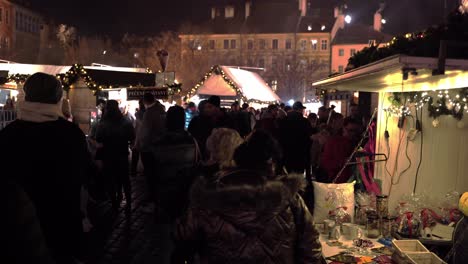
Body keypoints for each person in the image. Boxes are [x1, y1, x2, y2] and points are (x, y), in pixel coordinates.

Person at [173, 129, 324, 264]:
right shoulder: (289, 199)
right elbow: (310, 250)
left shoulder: (207, 198)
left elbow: (183, 243)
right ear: (271, 163)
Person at [0, 72, 90, 263]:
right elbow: (86, 175)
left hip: (18, 233)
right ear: (58, 98)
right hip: (63, 229)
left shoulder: (8, 135)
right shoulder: (72, 135)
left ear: (27, 97)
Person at [96, 100, 135, 212]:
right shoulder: (125, 121)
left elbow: (98, 138)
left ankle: (114, 203)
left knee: (110, 179)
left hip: (108, 155)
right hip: (122, 153)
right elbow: (132, 136)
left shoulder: (103, 123)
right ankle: (128, 202)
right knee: (124, 179)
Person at [137, 92, 166, 213]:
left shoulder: (149, 113)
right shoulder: (161, 110)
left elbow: (145, 132)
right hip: (160, 147)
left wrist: (140, 145)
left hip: (149, 148)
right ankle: (157, 200)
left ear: (145, 102)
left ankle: (153, 202)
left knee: (151, 176)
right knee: (156, 175)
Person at [320, 117, 362, 183]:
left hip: (352, 180)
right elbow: (325, 163)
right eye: (350, 130)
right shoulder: (333, 141)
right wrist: (341, 162)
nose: (353, 133)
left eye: (355, 131)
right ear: (344, 129)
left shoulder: (356, 142)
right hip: (337, 180)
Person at [278, 101, 313, 177]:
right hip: (300, 153)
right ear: (300, 109)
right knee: (298, 176)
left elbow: (280, 136)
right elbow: (309, 137)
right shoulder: (304, 121)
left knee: (288, 174)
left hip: (287, 152)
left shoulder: (284, 120)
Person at [131, 99, 146, 175]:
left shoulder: (137, 115)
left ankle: (133, 171)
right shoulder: (147, 114)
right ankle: (146, 171)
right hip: (145, 138)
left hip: (138, 138)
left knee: (135, 155)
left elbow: (135, 128)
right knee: (144, 156)